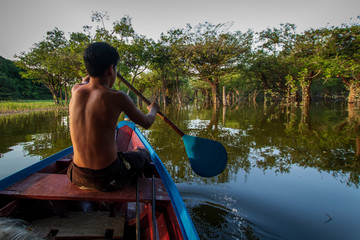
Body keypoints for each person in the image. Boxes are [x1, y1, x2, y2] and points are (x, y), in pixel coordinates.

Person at [67, 42, 160, 192]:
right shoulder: (117, 97)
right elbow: (147, 122)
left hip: (76, 176)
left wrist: (91, 73)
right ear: (111, 69)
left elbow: (85, 81)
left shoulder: (76, 90)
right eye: (115, 68)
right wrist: (153, 109)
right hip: (108, 177)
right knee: (143, 154)